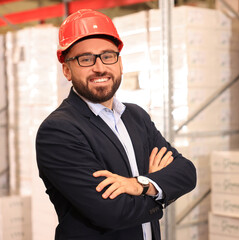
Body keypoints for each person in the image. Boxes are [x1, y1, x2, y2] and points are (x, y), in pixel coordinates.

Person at [35, 9, 197, 240]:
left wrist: (139, 184)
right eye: (86, 59)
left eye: (108, 56)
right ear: (67, 70)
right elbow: (112, 212)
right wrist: (157, 187)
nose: (99, 67)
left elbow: (186, 173)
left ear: (120, 63)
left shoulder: (136, 116)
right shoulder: (59, 130)